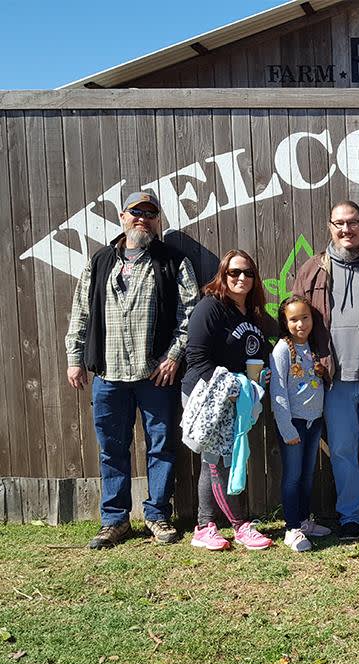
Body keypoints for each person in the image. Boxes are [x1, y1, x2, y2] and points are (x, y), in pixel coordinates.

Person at [65, 191, 199, 549]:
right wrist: (75, 358)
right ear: (122, 217)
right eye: (136, 212)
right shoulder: (100, 260)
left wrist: (172, 356)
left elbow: (190, 313)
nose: (143, 218)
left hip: (155, 374)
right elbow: (80, 311)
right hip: (108, 374)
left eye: (150, 213)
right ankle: (115, 520)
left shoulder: (173, 261)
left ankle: (157, 515)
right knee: (112, 448)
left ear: (158, 221)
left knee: (161, 447)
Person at [292, 201, 359, 541]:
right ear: (329, 227)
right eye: (340, 223)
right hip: (332, 378)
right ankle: (350, 514)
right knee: (344, 449)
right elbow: (294, 320)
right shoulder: (312, 270)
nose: (346, 229)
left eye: (353, 222)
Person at [182, 250, 276, 551]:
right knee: (216, 461)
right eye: (234, 272)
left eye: (248, 273)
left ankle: (206, 524)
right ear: (223, 274)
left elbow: (260, 354)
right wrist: (231, 387)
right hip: (209, 395)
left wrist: (262, 378)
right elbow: (196, 358)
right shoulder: (211, 307)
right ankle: (233, 525)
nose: (241, 278)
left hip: (239, 399)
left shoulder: (254, 314)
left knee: (226, 459)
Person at [269, 295, 333, 552]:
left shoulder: (314, 348)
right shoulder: (282, 349)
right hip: (293, 424)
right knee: (293, 476)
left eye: (304, 318)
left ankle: (305, 521)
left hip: (313, 422)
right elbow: (278, 391)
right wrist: (287, 428)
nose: (300, 324)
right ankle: (291, 527)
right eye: (293, 319)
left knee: (307, 476)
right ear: (285, 323)